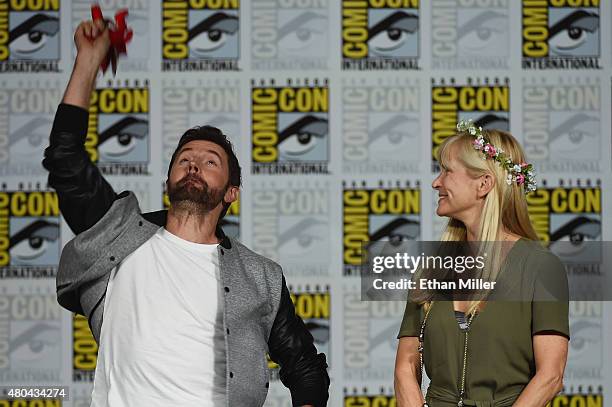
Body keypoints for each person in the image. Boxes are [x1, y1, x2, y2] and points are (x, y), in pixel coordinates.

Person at [42, 19, 329, 407]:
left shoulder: (261, 277)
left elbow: (306, 368)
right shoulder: (118, 234)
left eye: (210, 162)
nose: (194, 165)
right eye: (185, 159)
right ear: (169, 180)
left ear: (232, 192)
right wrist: (88, 62)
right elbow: (66, 159)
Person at [394, 121, 569, 407]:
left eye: (447, 171)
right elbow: (405, 366)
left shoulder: (540, 268)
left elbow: (551, 376)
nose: (436, 182)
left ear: (484, 184)